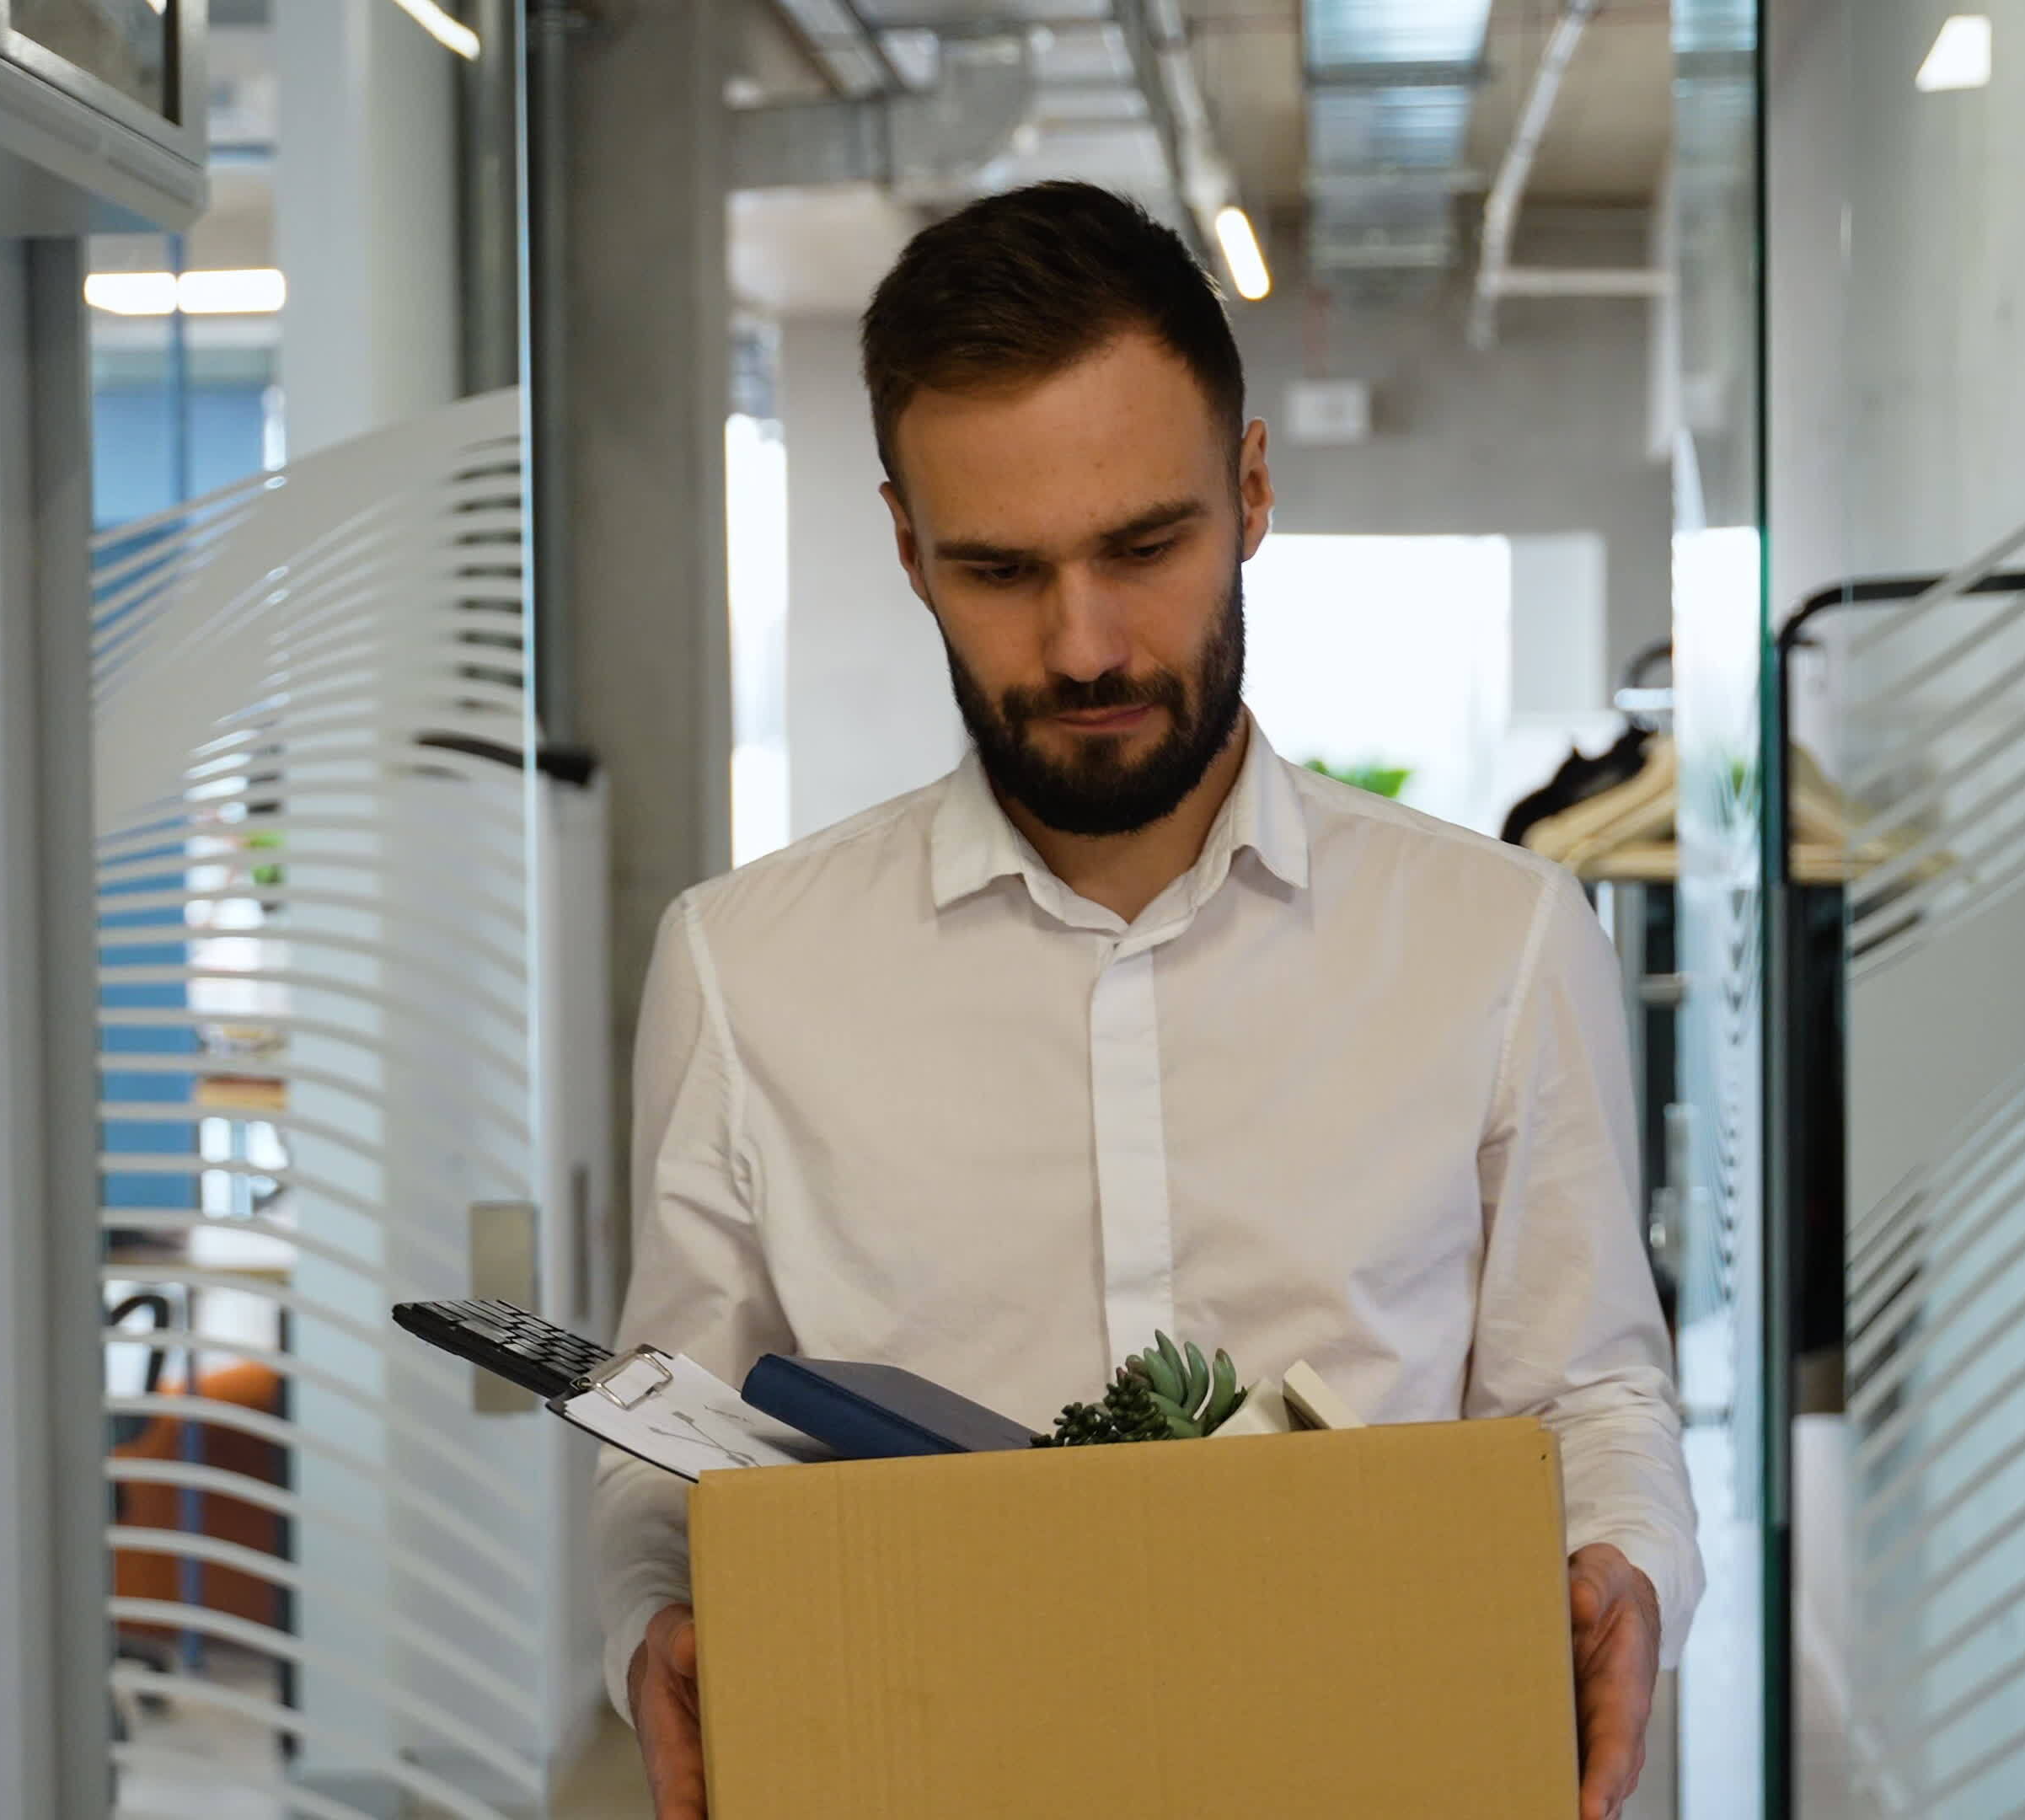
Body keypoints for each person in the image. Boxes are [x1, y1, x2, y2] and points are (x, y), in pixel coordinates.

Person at [592, 179, 1699, 1820]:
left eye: (1145, 545)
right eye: (998, 569)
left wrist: (1626, 1568)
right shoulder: (743, 971)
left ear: (1249, 492)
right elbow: (664, 1431)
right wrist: (647, 1624)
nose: (1086, 642)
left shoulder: (1503, 940)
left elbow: (1587, 1384)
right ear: (904, 543)